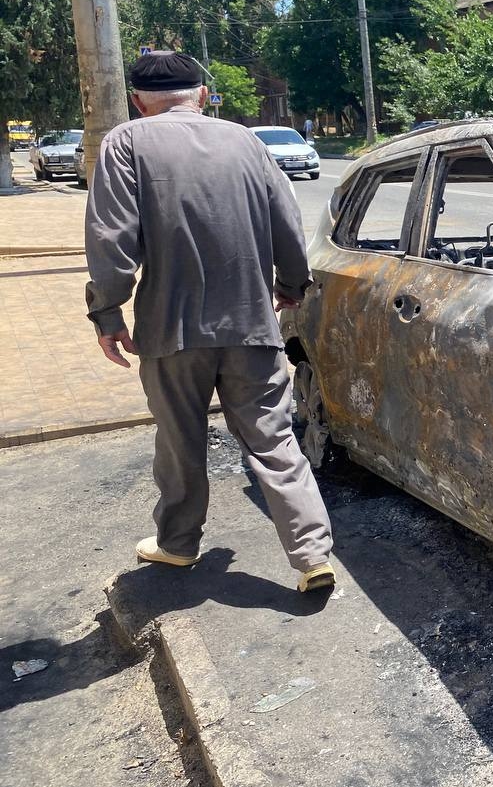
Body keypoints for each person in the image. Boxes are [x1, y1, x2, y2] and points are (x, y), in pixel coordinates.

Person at [84, 51, 336, 593]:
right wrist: (292, 286)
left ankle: (178, 545)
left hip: (169, 330)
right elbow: (287, 222)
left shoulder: (126, 143)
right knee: (274, 441)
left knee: (180, 441)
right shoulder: (247, 141)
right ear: (201, 94)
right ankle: (313, 556)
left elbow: (112, 239)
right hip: (251, 323)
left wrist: (107, 312)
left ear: (137, 101)